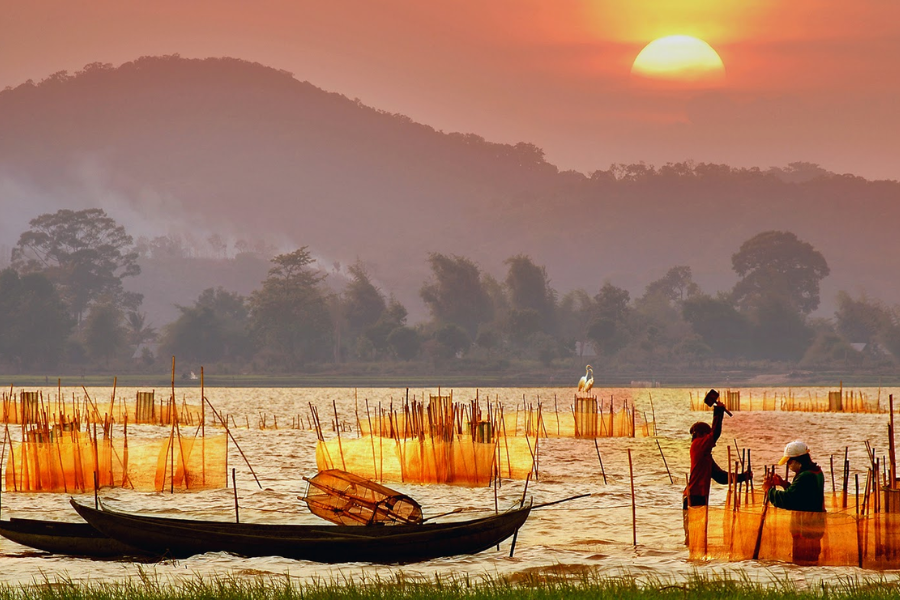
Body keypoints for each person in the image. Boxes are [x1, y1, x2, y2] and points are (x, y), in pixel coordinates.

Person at [683, 389, 751, 543]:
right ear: (700, 434)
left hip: (700, 496)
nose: (712, 443)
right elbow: (715, 433)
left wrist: (742, 477)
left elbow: (720, 477)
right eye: (707, 437)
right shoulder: (698, 445)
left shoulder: (705, 456)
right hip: (693, 496)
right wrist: (718, 411)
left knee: (698, 538)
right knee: (693, 538)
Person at [763, 440, 826, 565]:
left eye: (790, 462)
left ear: (799, 460)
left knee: (802, 563)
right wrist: (783, 484)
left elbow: (789, 499)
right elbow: (802, 495)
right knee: (811, 563)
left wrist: (768, 490)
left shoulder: (805, 476)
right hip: (815, 526)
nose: (789, 465)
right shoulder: (816, 472)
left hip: (805, 528)